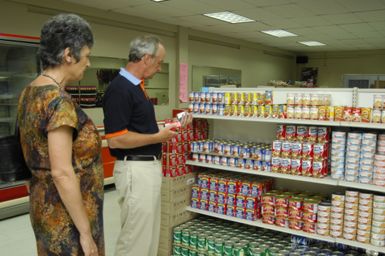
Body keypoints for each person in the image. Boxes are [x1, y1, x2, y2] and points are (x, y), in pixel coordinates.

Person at [17, 14, 104, 256]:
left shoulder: (28, 92)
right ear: (68, 55)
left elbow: (28, 151)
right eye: (86, 56)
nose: (87, 63)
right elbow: (62, 172)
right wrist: (85, 234)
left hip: (43, 207)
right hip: (69, 218)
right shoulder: (58, 102)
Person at [102, 35, 192, 256]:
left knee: (148, 238)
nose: (160, 68)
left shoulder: (137, 87)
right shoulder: (120, 89)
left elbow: (139, 127)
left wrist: (170, 126)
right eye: (159, 62)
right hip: (136, 169)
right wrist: (157, 138)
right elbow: (116, 139)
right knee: (135, 240)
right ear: (145, 58)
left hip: (147, 168)